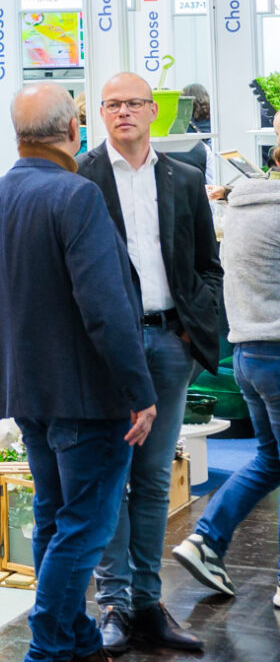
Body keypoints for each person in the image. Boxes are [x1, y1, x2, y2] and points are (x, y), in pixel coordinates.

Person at [0, 84, 157, 662]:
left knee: (55, 517)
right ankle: (47, 648)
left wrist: (25, 352)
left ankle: (79, 641)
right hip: (89, 398)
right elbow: (106, 308)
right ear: (74, 129)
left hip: (27, 392)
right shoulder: (77, 196)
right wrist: (138, 389)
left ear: (18, 135)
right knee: (85, 528)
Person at [78, 73, 219, 654]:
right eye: (112, 105)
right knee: (113, 475)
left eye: (134, 103)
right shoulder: (80, 177)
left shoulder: (184, 178)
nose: (123, 113)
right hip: (107, 349)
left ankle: (147, 601)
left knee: (156, 477)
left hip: (167, 341)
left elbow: (208, 264)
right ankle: (113, 602)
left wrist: (191, 328)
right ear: (100, 114)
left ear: (153, 110)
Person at [175, 174, 280, 607]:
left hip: (247, 355)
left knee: (271, 460)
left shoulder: (243, 207)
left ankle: (205, 540)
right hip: (277, 352)